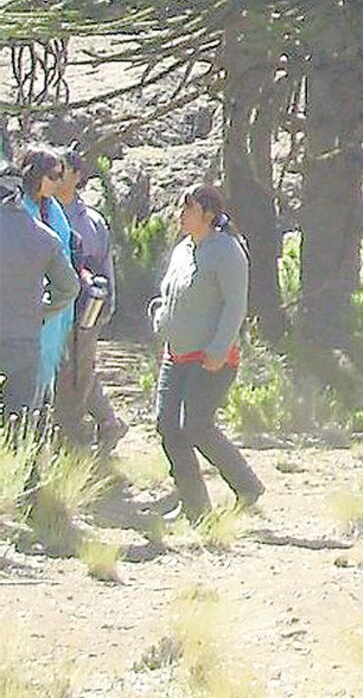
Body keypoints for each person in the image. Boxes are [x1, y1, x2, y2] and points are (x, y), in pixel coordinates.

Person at [152, 186, 264, 521]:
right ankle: (195, 508)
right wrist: (159, 318)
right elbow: (168, 293)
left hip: (210, 358)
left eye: (189, 208)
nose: (181, 214)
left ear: (209, 214)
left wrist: (219, 349)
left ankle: (246, 486)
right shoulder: (184, 250)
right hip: (176, 354)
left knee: (197, 426)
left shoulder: (227, 251)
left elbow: (235, 305)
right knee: (168, 427)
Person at [52, 151, 125, 451]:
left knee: (80, 371)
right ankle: (106, 423)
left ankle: (86, 432)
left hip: (84, 310)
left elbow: (104, 266)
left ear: (77, 176)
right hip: (52, 307)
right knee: (64, 371)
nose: (57, 176)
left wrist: (106, 306)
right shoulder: (41, 210)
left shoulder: (92, 221)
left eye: (63, 170)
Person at [0, 163, 78, 423]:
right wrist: (43, 311)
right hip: (25, 341)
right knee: (19, 424)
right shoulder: (44, 237)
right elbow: (70, 287)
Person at [16, 148, 76, 405]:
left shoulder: (54, 211)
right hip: (22, 304)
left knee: (45, 380)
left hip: (54, 310)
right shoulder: (16, 209)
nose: (57, 182)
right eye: (52, 176)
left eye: (60, 175)